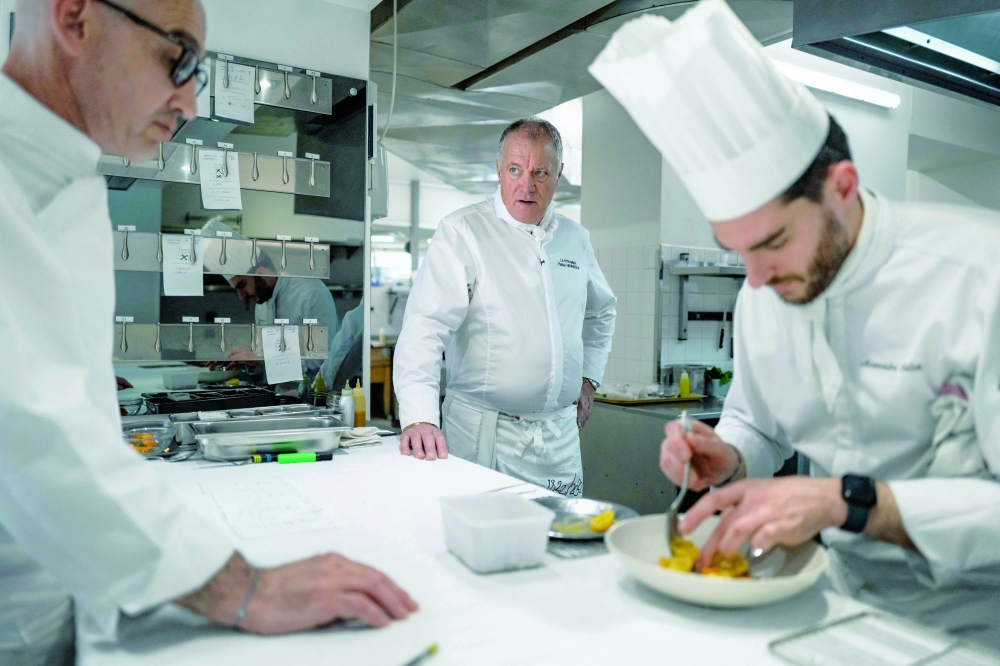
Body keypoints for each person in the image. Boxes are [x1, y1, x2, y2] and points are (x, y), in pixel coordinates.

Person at [0, 0, 415, 663]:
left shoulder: (71, 184)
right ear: (75, 17)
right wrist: (238, 586)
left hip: (69, 586)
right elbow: (28, 436)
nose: (190, 101)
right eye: (178, 58)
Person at [591, 0, 1000, 647]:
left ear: (842, 186)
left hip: (975, 624)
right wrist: (727, 456)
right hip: (828, 601)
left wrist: (849, 501)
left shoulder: (980, 275)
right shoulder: (766, 287)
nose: (753, 278)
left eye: (773, 241)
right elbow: (759, 424)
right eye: (738, 249)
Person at [394, 118, 617, 497]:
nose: (526, 185)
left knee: (561, 546)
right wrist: (419, 416)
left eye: (540, 172)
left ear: (559, 174)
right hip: (484, 437)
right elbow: (425, 327)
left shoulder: (574, 239)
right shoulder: (463, 231)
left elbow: (601, 312)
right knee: (483, 547)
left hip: (559, 439)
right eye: (515, 169)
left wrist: (588, 379)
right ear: (498, 170)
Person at [202, 220, 339, 382]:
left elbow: (322, 362)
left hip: (310, 398)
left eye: (242, 285)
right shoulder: (262, 301)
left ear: (261, 272)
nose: (241, 295)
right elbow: (264, 361)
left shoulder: (311, 293)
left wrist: (264, 361)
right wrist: (244, 360)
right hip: (278, 398)